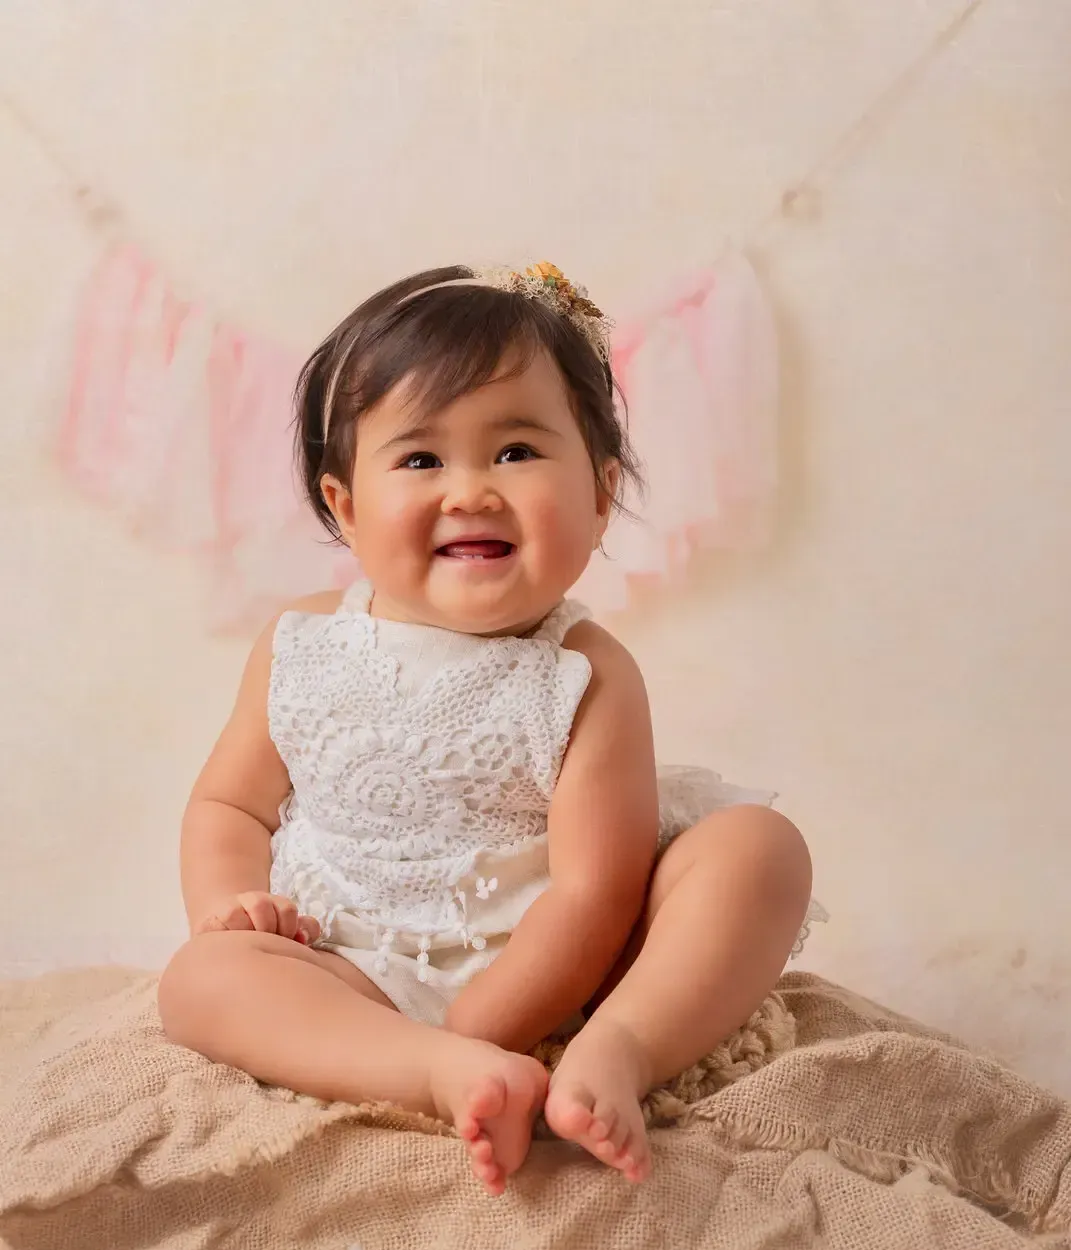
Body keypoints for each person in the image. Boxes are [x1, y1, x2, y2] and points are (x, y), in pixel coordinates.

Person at [158, 261, 813, 1196]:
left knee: (758, 850)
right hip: (349, 967)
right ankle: (423, 1072)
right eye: (421, 459)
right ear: (345, 507)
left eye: (514, 451)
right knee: (199, 982)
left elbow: (595, 893)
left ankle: (616, 1052)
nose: (469, 490)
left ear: (598, 493)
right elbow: (229, 803)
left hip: (558, 968)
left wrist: (480, 1026)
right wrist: (229, 908)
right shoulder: (302, 644)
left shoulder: (585, 676)